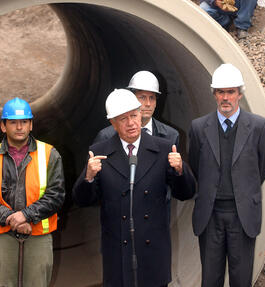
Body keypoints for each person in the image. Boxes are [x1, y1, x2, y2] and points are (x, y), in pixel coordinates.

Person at [73, 88, 196, 287]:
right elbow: (83, 200)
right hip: (117, 251)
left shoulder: (163, 148)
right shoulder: (99, 152)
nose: (131, 123)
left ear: (140, 114)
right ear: (112, 123)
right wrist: (88, 177)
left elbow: (186, 192)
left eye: (134, 115)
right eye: (123, 119)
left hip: (153, 250)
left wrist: (181, 170)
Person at [188, 63, 265, 287]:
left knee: (241, 279)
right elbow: (195, 166)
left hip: (242, 216)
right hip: (210, 215)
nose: (226, 98)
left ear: (240, 94)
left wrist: (242, 192)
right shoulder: (198, 128)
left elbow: (261, 168)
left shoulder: (259, 127)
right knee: (210, 279)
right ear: (214, 94)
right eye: (221, 92)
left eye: (231, 92)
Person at [0, 97, 65, 286]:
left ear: (31, 125)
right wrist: (12, 218)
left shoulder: (49, 154)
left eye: (24, 122)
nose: (19, 127)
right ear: (3, 126)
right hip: (3, 235)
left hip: (38, 236)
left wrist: (27, 215)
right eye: (13, 122)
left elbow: (56, 195)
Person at [94, 70, 180, 150]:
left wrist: (180, 166)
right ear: (131, 98)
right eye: (142, 97)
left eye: (152, 98)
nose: (148, 104)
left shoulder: (170, 136)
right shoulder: (107, 136)